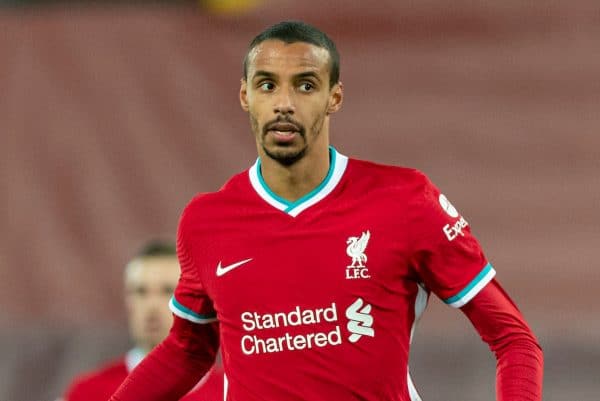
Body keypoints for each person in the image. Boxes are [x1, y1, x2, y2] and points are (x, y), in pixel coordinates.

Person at [110, 21, 543, 401]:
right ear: (245, 95)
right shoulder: (206, 221)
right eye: (267, 84)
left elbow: (514, 340)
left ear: (334, 97)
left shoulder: (405, 199)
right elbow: (188, 350)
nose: (284, 102)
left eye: (305, 85)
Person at [62, 240, 223, 401]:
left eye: (167, 290)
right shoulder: (88, 393)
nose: (151, 306)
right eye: (141, 292)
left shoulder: (230, 394)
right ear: (127, 300)